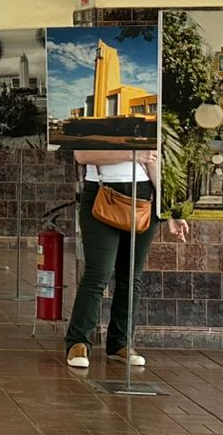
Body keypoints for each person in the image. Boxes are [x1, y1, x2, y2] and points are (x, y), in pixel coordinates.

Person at [64, 150, 188, 369]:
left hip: (143, 195)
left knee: (131, 275)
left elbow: (154, 163)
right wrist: (133, 155)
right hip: (102, 190)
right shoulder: (94, 116)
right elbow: (83, 156)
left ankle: (120, 343)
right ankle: (78, 341)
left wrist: (170, 212)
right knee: (98, 273)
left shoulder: (148, 117)